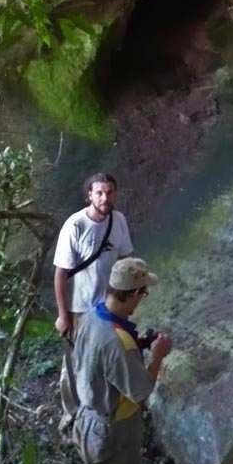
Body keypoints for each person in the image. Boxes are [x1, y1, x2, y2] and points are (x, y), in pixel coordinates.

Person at [72, 257, 172, 464]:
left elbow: (100, 359)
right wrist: (156, 356)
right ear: (131, 294)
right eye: (143, 293)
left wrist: (138, 345)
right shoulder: (119, 342)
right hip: (112, 430)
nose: (143, 299)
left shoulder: (91, 317)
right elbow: (141, 390)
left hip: (88, 419)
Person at [53, 173, 134, 427]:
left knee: (108, 356)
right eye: (99, 193)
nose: (104, 198)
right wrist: (64, 315)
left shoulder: (118, 221)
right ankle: (72, 414)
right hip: (81, 309)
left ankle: (105, 409)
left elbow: (124, 261)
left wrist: (127, 299)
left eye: (109, 192)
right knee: (78, 361)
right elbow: (60, 274)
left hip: (109, 307)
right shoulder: (75, 225)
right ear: (89, 194)